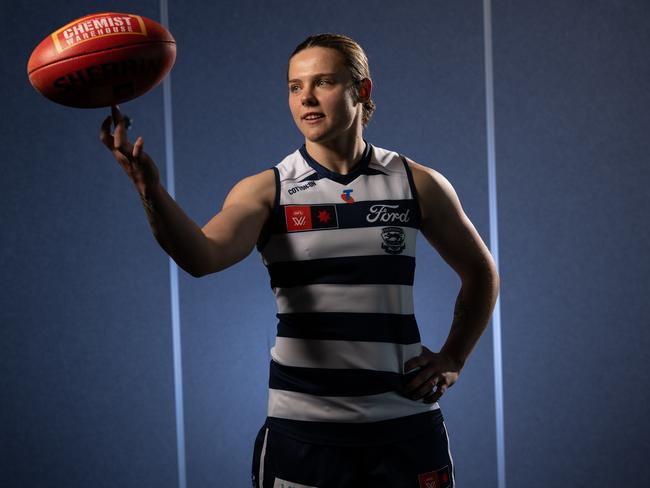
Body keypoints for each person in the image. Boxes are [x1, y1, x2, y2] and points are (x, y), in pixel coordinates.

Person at [100, 33, 499, 488]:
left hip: (406, 427)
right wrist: (149, 191)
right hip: (305, 435)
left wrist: (453, 357)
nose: (306, 97)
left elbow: (481, 272)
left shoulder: (417, 183)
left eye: (323, 82)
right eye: (294, 86)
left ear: (361, 91)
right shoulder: (268, 189)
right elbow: (202, 256)